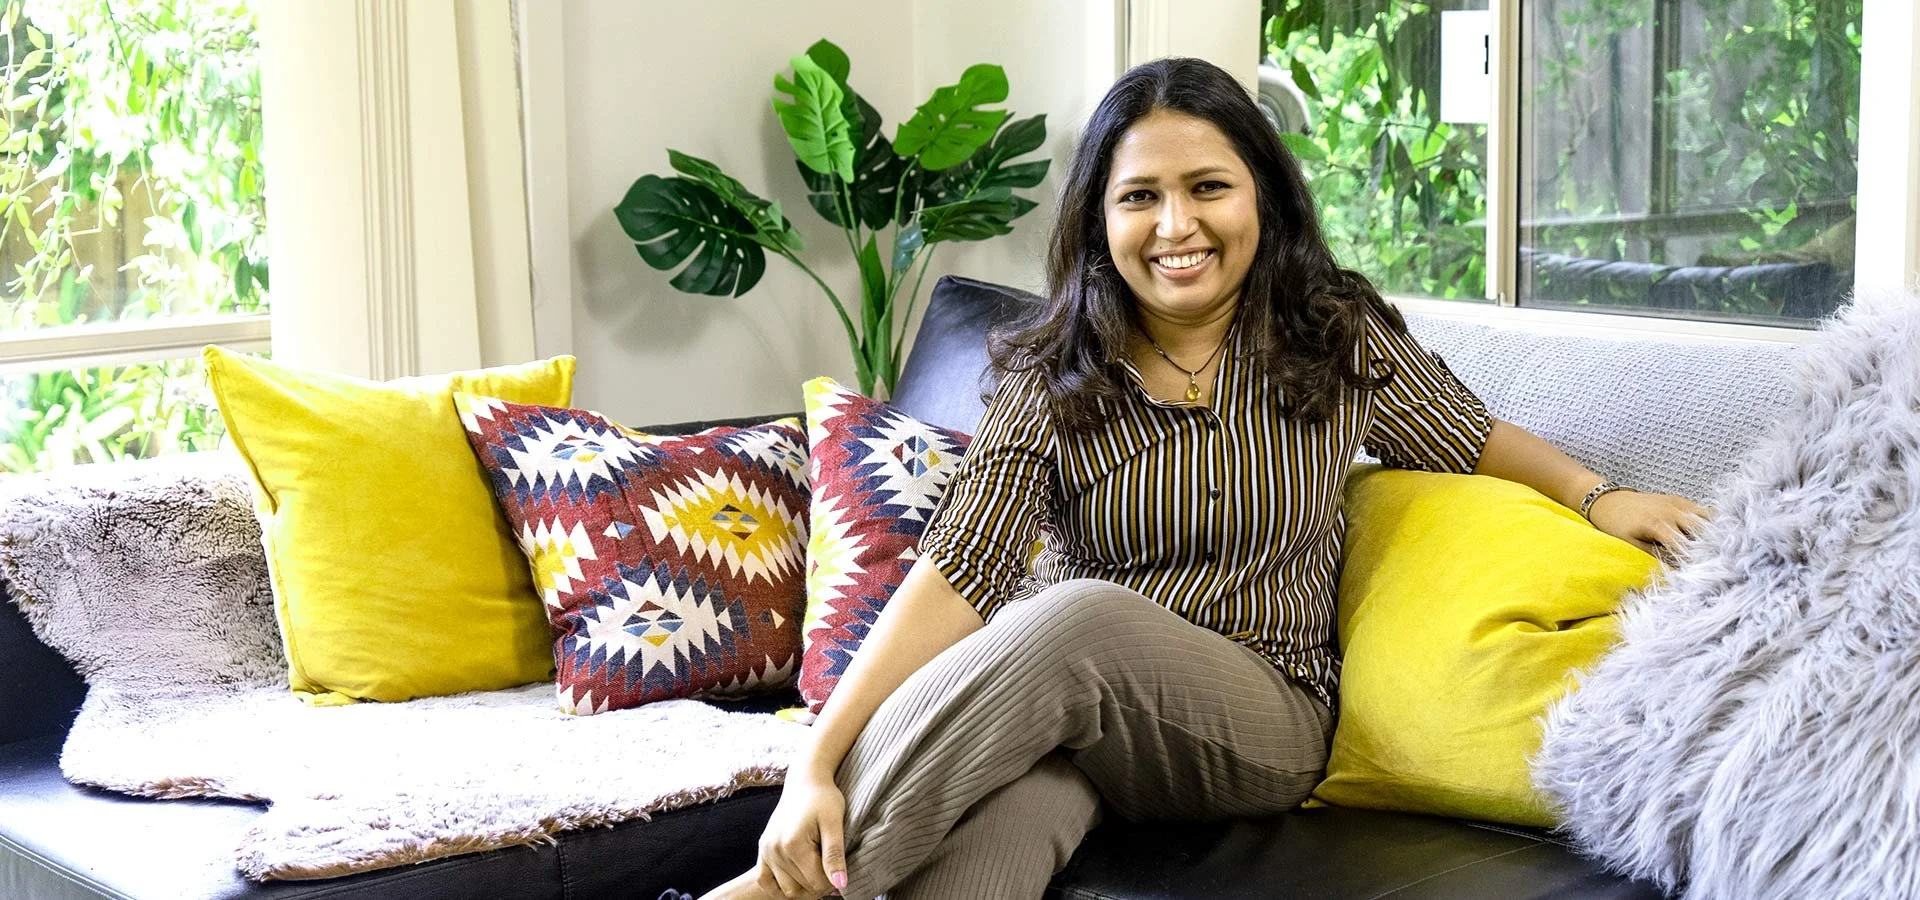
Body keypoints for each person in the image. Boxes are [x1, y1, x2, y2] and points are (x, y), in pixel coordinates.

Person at [698, 56, 1710, 900]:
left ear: (1259, 195)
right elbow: (961, 571)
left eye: (1207, 188)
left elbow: (1469, 437)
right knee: (977, 851)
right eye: (1140, 196)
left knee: (1069, 620)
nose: (1175, 224)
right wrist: (814, 764)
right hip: (1081, 718)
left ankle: (769, 894)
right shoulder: (1053, 371)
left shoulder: (1331, 333)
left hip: (1258, 720)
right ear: (1101, 220)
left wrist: (1593, 495)